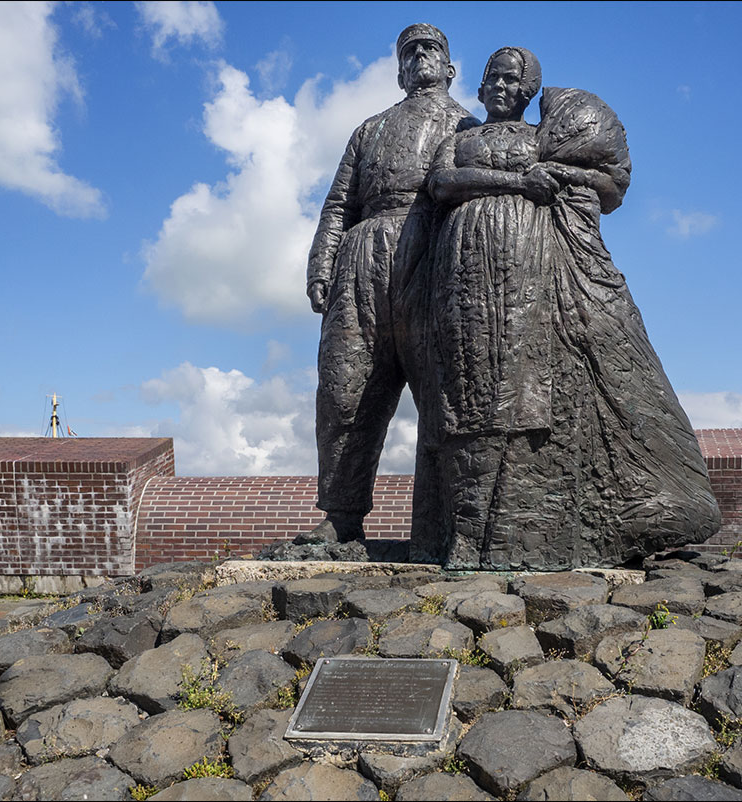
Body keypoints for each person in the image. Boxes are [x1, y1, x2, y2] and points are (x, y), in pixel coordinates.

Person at [411, 46, 720, 569]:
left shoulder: (544, 142)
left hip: (534, 263)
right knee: (466, 387)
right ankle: (462, 534)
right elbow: (442, 183)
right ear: (480, 87)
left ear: (529, 93)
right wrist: (518, 182)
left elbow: (609, 187)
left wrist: (564, 176)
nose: (505, 88)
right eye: (496, 79)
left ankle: (523, 536)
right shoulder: (458, 140)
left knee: (525, 387)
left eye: (516, 82)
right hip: (464, 265)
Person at [302, 24, 478, 544]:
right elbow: (339, 204)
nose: (421, 55)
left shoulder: (470, 127)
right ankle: (341, 516)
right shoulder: (369, 129)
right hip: (361, 260)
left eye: (431, 49)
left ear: (449, 67)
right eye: (410, 52)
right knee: (344, 390)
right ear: (400, 71)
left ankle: (448, 525)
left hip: (433, 256)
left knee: (444, 391)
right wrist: (321, 264)